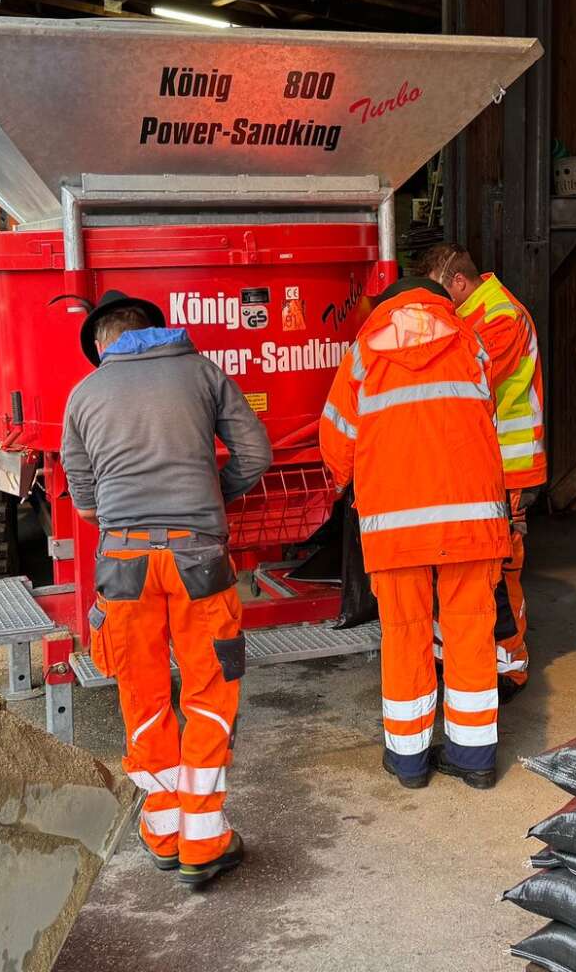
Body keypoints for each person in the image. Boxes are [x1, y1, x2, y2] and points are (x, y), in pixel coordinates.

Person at [60, 290, 272, 887]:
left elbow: (82, 494)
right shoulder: (204, 372)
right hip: (199, 557)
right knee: (209, 689)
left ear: (103, 345)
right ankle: (205, 841)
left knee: (143, 694)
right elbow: (255, 454)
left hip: (123, 564)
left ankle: (163, 832)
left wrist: (127, 521)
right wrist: (209, 499)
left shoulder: (85, 393)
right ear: (153, 330)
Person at [319, 277, 510, 790]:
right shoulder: (470, 342)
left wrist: (339, 482)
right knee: (470, 629)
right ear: (439, 301)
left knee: (405, 635)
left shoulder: (364, 352)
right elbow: (484, 414)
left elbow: (336, 433)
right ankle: (475, 760)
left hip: (394, 524)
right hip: (470, 519)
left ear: (386, 306)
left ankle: (408, 762)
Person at [419, 244, 546, 698]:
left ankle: (509, 667)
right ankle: (457, 657)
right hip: (479, 467)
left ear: (458, 283)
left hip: (508, 470)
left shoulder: (500, 316)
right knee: (459, 569)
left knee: (499, 573)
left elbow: (471, 376)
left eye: (439, 291)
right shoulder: (474, 314)